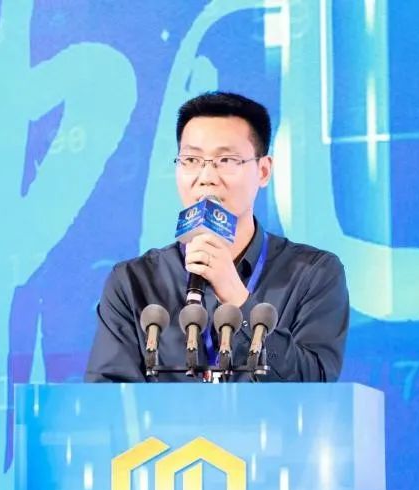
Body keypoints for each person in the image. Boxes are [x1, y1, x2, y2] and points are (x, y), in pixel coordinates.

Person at [85, 91, 348, 382]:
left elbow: (316, 386)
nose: (207, 177)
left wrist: (238, 299)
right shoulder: (133, 282)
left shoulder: (313, 274)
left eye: (226, 160)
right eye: (191, 159)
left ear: (263, 171)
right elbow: (107, 397)